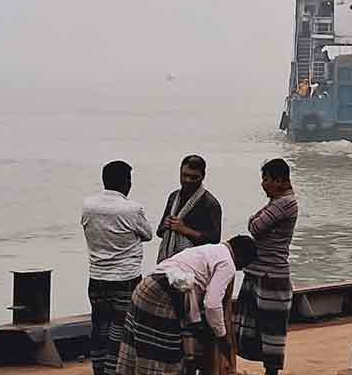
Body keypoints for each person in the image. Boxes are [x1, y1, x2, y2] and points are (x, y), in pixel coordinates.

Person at [117, 237, 258, 375]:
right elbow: (212, 304)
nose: (240, 268)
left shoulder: (212, 249)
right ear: (241, 258)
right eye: (244, 265)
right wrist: (222, 336)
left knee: (144, 346)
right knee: (164, 352)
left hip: (146, 288)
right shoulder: (228, 263)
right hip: (161, 297)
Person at [81, 161, 153, 375]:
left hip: (97, 277)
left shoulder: (88, 205)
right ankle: (115, 371)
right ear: (126, 182)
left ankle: (99, 370)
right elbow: (148, 234)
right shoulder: (133, 209)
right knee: (120, 331)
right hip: (126, 278)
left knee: (99, 328)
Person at [235, 159, 299, 375]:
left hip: (271, 274)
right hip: (258, 271)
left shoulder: (285, 203)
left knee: (272, 328)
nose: (263, 184)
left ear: (280, 180)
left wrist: (255, 217)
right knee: (252, 326)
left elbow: (255, 226)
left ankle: (271, 372)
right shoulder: (278, 201)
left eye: (266, 179)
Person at [156, 155, 223, 263]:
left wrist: (184, 230)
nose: (188, 180)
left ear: (203, 176)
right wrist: (166, 225)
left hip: (194, 264)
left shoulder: (210, 203)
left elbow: (214, 241)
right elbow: (159, 232)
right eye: (185, 175)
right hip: (168, 261)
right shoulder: (173, 197)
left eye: (194, 177)